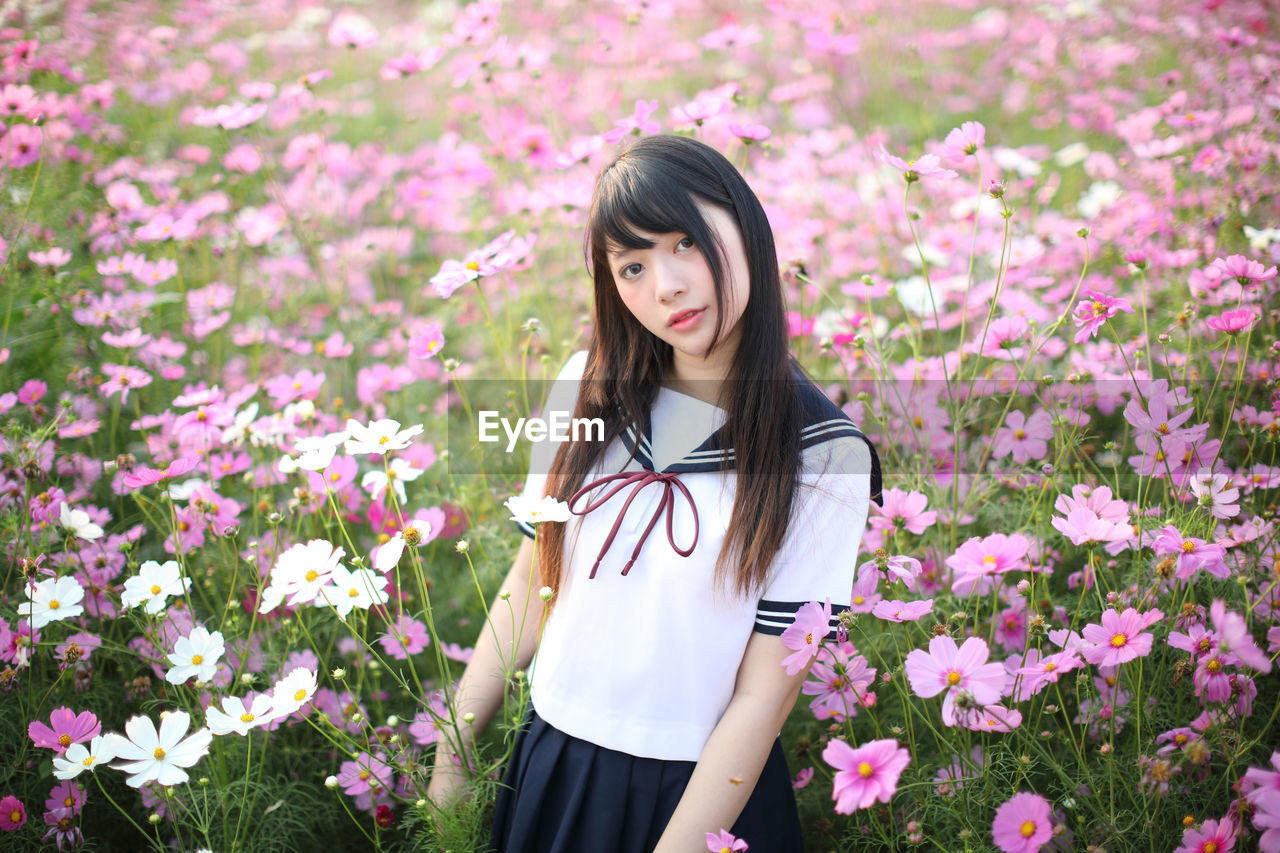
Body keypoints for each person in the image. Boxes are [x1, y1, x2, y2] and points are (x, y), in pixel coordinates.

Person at [427, 134, 883, 852]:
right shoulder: (587, 385)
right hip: (550, 765)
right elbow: (530, 579)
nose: (665, 285)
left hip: (700, 800)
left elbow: (764, 699)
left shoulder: (820, 453)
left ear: (746, 228)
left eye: (684, 243)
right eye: (632, 265)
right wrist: (453, 751)